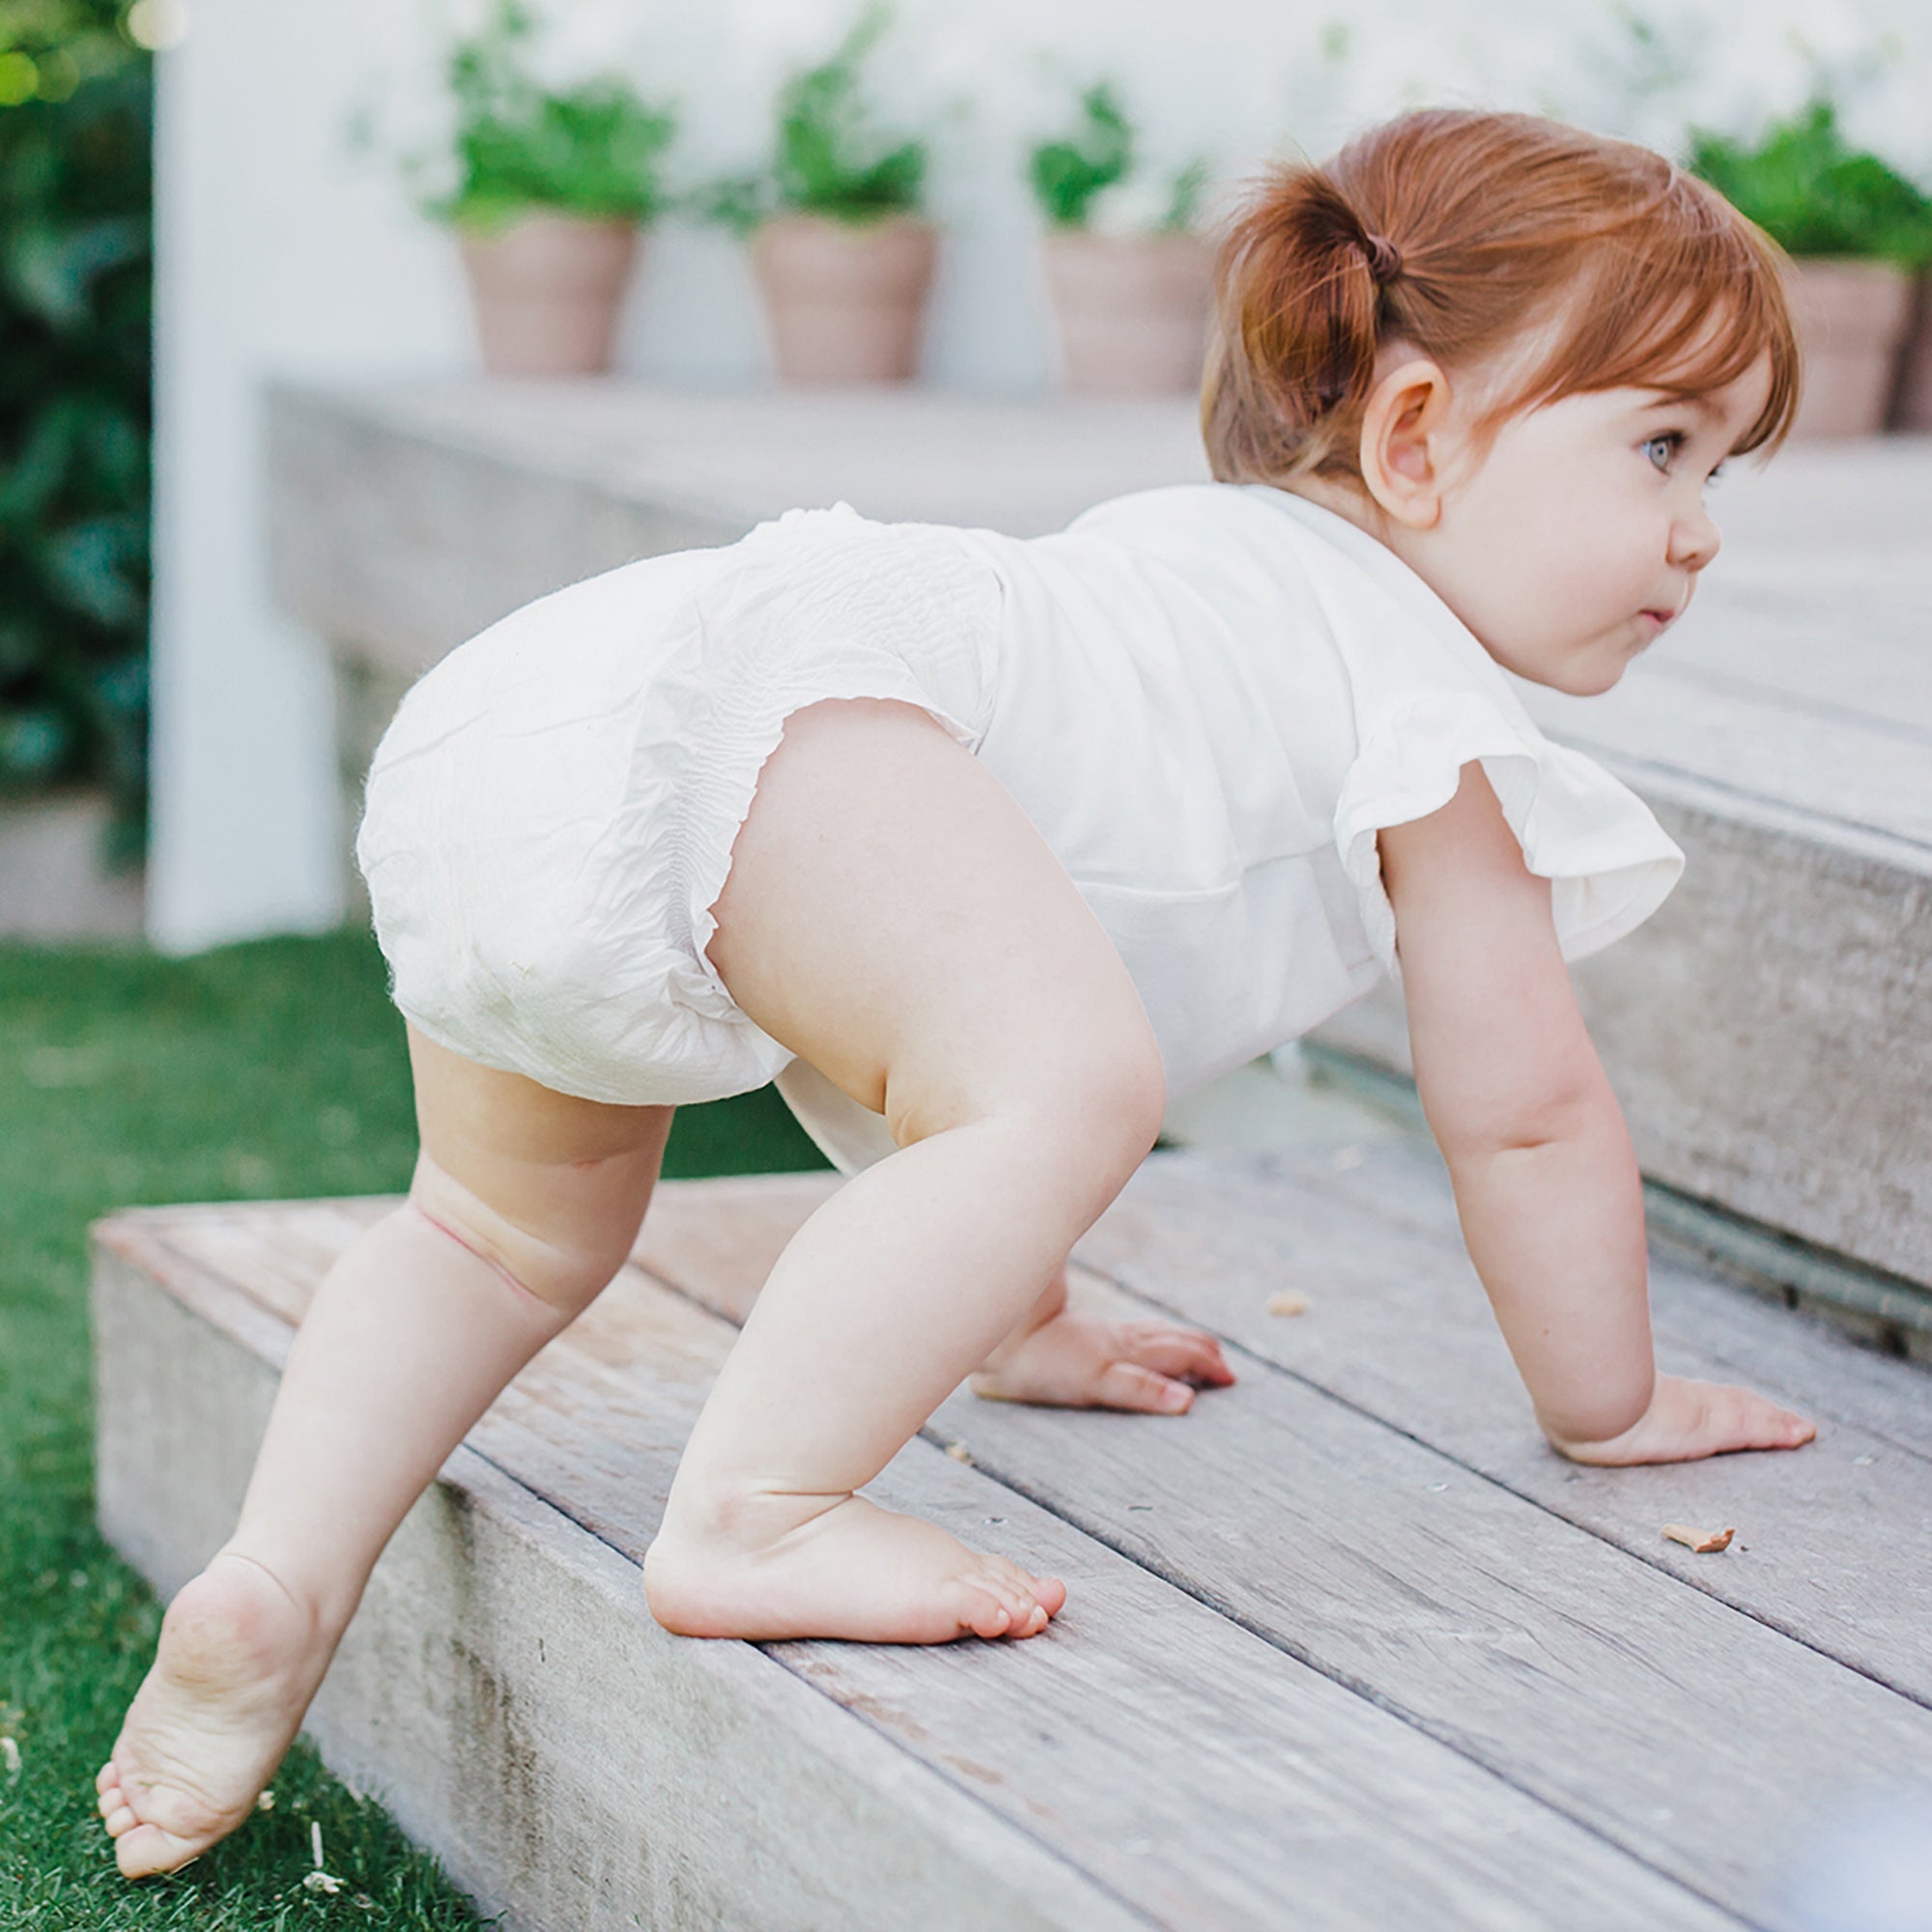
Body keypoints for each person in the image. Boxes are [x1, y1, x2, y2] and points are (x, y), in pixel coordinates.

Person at [98, 105, 1818, 1880]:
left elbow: (942, 953)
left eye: (1720, 471)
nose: (1699, 534)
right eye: (1663, 448)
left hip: (533, 716)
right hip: (776, 719)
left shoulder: (1173, 575)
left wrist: (1021, 1315)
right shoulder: (1426, 711)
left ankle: (276, 1584)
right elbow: (1525, 1110)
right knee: (1070, 1082)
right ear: (1413, 438)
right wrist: (1611, 1406)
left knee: (490, 1232)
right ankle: (756, 1516)